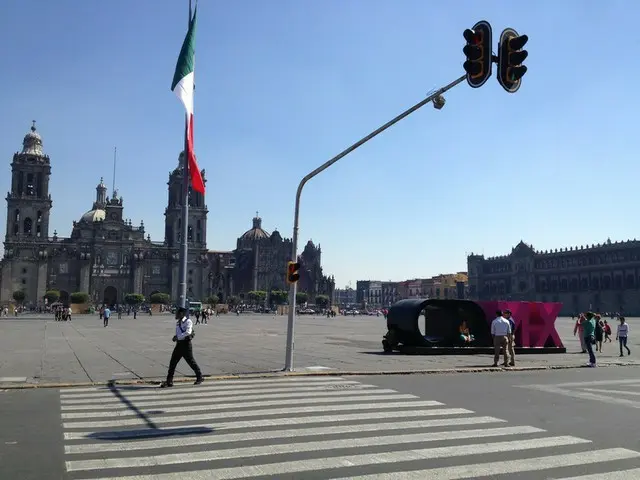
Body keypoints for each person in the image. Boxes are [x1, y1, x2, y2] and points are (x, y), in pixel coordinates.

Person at [161, 307, 203, 388]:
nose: (175, 314)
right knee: (172, 362)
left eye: (177, 313)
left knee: (191, 362)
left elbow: (188, 332)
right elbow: (179, 333)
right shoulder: (178, 323)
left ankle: (199, 377)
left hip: (186, 345)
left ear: (181, 314)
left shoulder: (188, 321)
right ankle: (169, 381)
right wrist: (175, 337)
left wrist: (178, 337)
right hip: (179, 345)